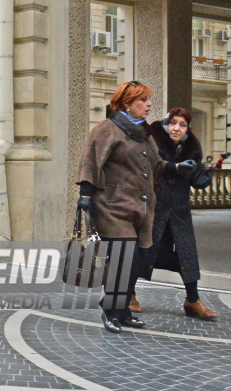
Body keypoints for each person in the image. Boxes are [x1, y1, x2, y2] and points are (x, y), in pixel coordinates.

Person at [77, 81, 196, 334]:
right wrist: (84, 196)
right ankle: (111, 310)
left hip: (141, 209)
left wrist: (177, 167)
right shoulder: (107, 129)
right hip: (113, 207)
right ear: (126, 103)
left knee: (139, 262)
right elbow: (90, 161)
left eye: (149, 100)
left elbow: (156, 164)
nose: (149, 105)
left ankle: (123, 310)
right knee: (124, 262)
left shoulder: (143, 133)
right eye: (143, 100)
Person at [131, 109, 217, 319]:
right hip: (153, 209)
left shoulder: (192, 149)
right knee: (142, 251)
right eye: (173, 123)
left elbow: (194, 179)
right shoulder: (151, 143)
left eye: (182, 125)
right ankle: (128, 294)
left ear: (187, 129)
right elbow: (144, 170)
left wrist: (202, 178)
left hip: (179, 212)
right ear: (165, 124)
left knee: (187, 255)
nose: (176, 128)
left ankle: (192, 300)